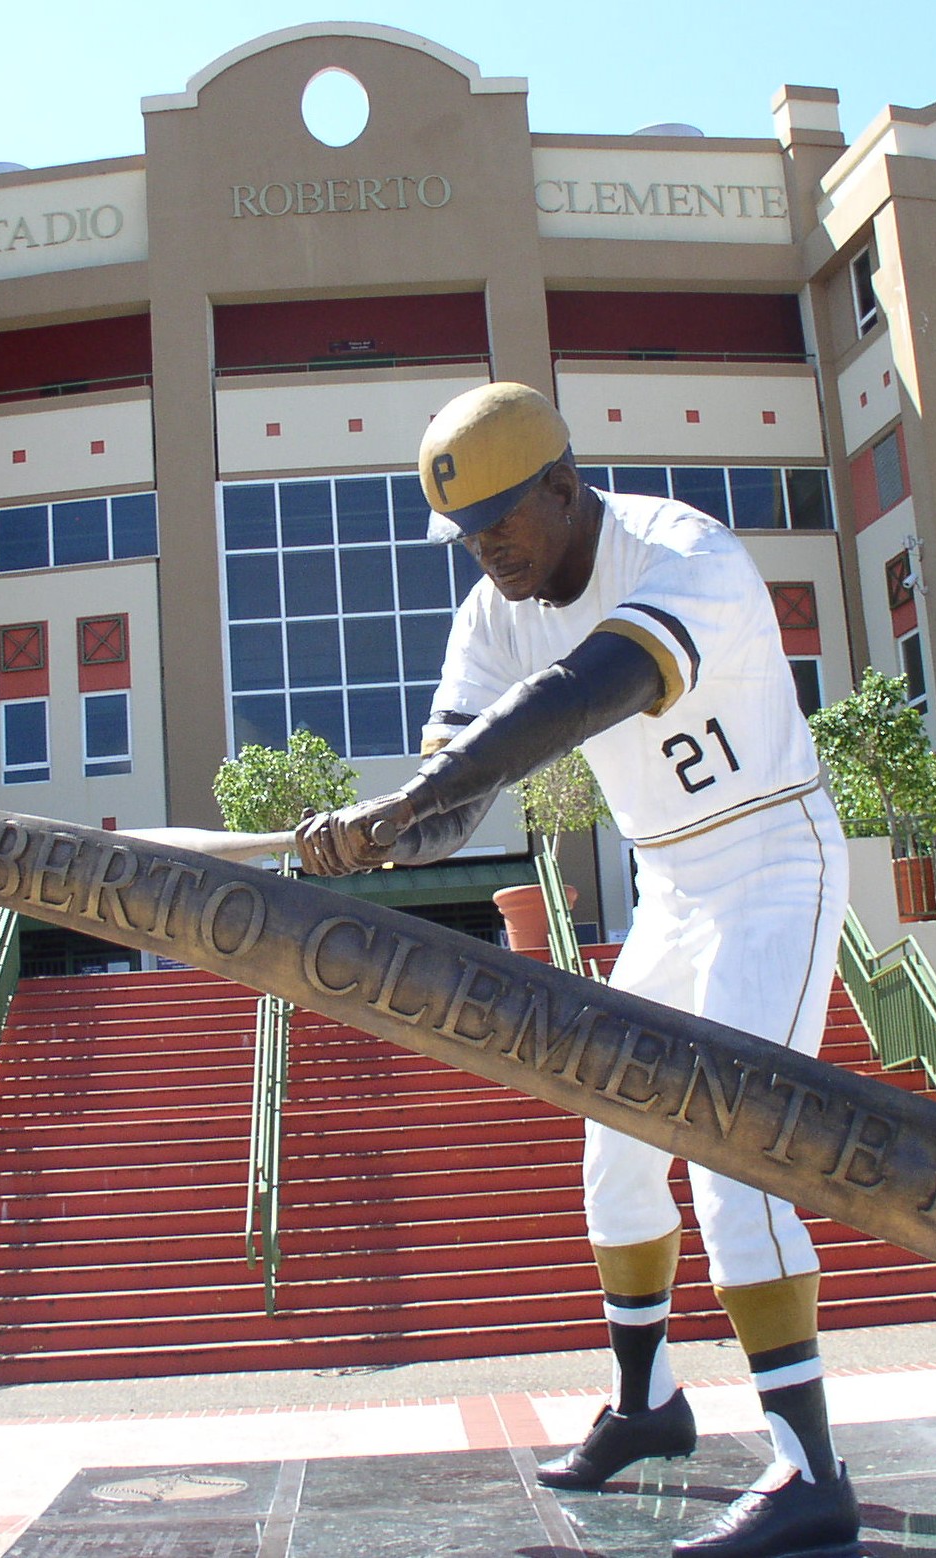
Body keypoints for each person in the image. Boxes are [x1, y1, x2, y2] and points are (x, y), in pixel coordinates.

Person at [296, 382, 857, 1558]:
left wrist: (418, 798)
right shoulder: (493, 609)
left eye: (506, 514)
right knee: (614, 1153)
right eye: (467, 529)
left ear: (564, 485)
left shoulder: (682, 549)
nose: (488, 545)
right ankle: (649, 1405)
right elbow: (457, 794)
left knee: (734, 1153)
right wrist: (385, 827)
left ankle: (811, 1470)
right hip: (672, 882)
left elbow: (582, 693)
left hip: (772, 862)